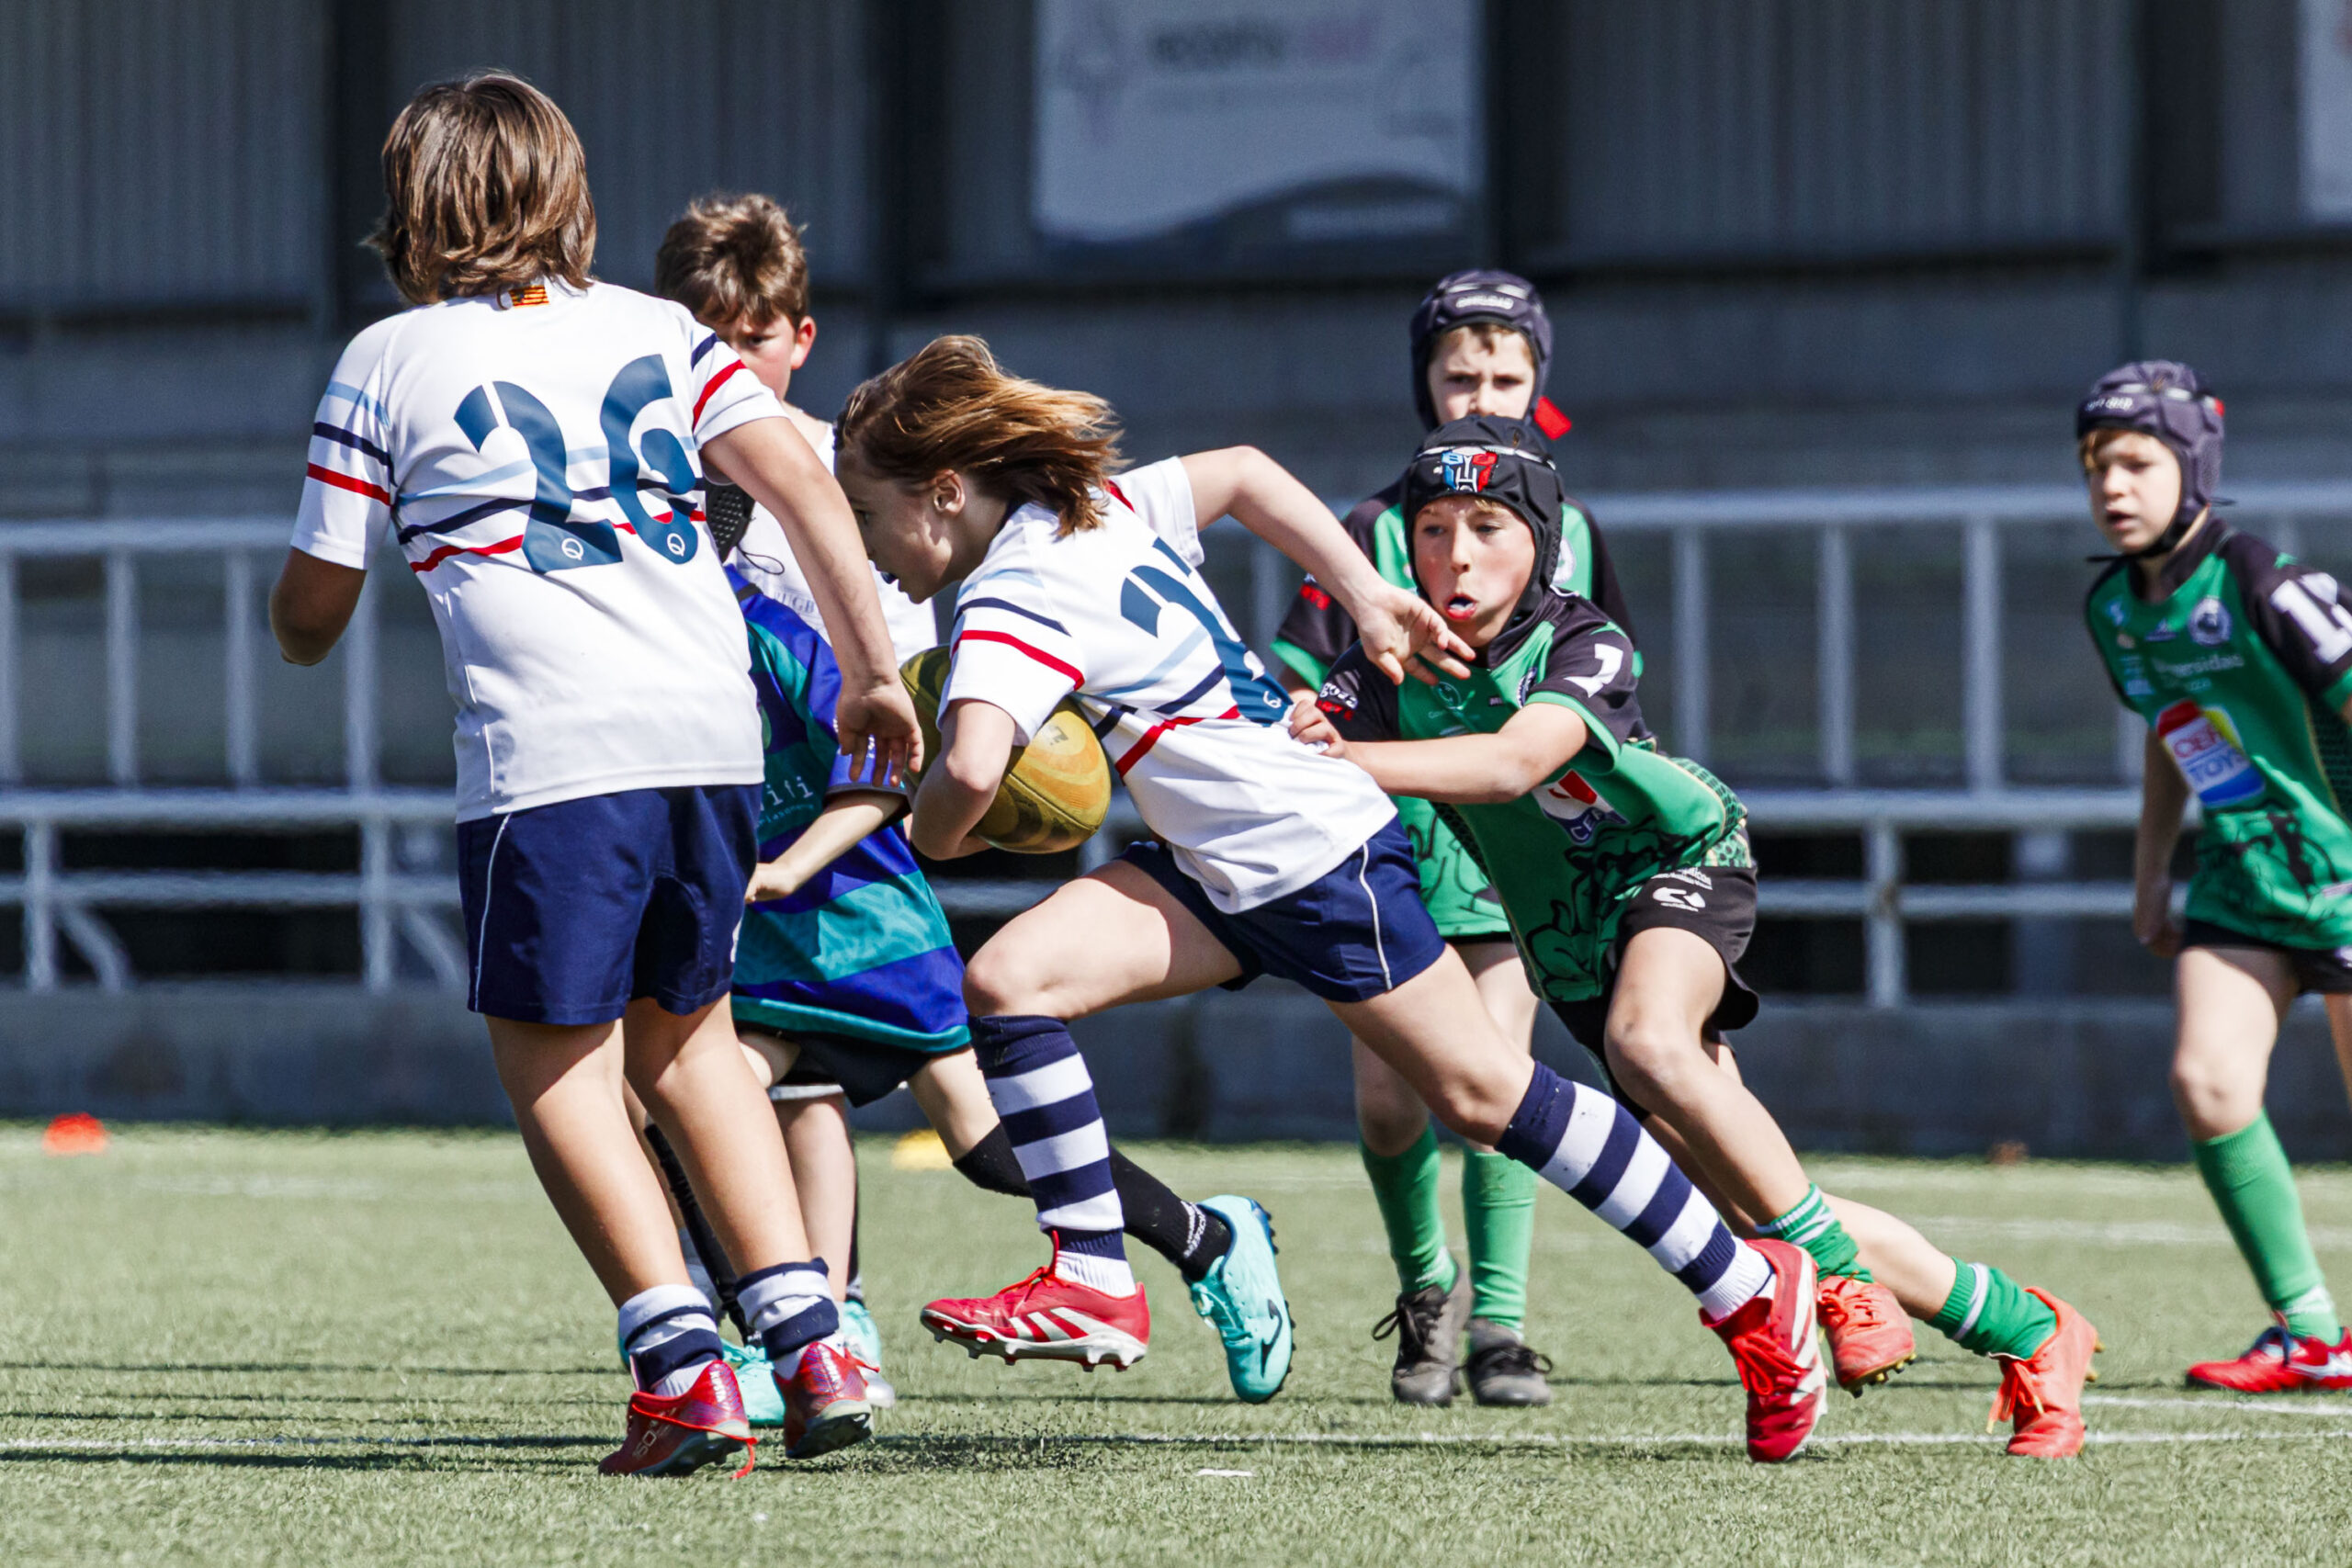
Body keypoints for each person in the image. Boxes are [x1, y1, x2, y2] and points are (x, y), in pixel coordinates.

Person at [834, 334, 1832, 1464]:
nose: (870, 555)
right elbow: (1249, 473)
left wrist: (912, 834)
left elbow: (969, 770)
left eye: (869, 520)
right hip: (1224, 861)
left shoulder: (1012, 589)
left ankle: (1749, 1290)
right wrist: (1365, 593)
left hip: (1304, 852)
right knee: (1009, 980)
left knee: (1484, 1093)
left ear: (945, 491)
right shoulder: (1096, 510)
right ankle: (1095, 1278)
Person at [269, 73, 920, 1478]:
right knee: (689, 1037)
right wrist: (875, 670)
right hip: (707, 736)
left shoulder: (385, 360)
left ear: (415, 206)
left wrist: (302, 617)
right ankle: (812, 1336)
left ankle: (685, 1366)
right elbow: (807, 490)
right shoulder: (664, 328)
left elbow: (314, 609)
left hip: (550, 753)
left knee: (558, 1065)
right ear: (570, 196)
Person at [1295, 416, 2102, 1458]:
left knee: (1650, 1043)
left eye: (1487, 526)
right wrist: (1302, 734)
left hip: (1676, 862)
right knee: (1754, 1205)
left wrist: (1345, 762)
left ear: (1540, 539)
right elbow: (1301, 735)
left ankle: (1846, 1289)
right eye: (1433, 527)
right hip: (1567, 936)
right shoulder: (1381, 668)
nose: (1455, 553)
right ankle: (2031, 1329)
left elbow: (1507, 765)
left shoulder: (1581, 639)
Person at [662, 559, 1323, 1408]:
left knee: (990, 1150)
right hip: (764, 944)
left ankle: (1205, 1235)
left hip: (870, 929)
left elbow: (887, 769)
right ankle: (782, 1340)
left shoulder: (774, 633)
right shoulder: (651, 652)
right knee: (683, 1107)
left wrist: (789, 866)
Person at [1271, 269, 1633, 1405]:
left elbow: (1602, 682)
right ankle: (1424, 1294)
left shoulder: (1570, 528)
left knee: (1497, 1077)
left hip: (1511, 839)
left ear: (1540, 384)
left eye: (1507, 376)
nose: (1484, 391)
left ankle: (1501, 1329)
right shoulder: (1374, 527)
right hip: (1387, 840)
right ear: (1422, 383)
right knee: (1390, 1098)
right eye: (1460, 374)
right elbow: (1298, 675)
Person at [652, 191, 936, 1400]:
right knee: (677, 1071)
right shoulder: (649, 473)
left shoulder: (836, 470)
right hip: (695, 801)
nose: (731, 357)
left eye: (754, 333)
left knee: (824, 1077)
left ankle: (836, 1310)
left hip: (826, 815)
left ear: (800, 339)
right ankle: (766, 1313)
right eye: (705, 331)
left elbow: (905, 647)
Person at [2076, 360, 2352, 1392]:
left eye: (2138, 463)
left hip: (2343, 876)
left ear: (2193, 467)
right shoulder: (2114, 610)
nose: (2114, 487)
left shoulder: (2261, 582)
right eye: (2097, 468)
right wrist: (2152, 870)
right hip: (2241, 881)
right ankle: (2306, 1329)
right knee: (2207, 1080)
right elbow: (2170, 731)